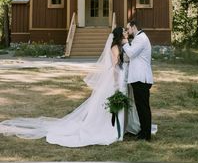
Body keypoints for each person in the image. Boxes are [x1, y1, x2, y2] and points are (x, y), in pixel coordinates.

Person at [0, 27, 139, 147]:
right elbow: (115, 65)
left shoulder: (121, 45)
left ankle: (120, 127)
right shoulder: (115, 47)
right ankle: (111, 129)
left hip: (121, 76)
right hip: (116, 78)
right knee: (111, 102)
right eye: (123, 31)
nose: (126, 32)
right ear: (119, 35)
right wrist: (115, 81)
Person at [122, 20, 153, 141]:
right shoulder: (138, 38)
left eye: (128, 28)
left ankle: (146, 135)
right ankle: (143, 132)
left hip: (141, 78)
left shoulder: (141, 38)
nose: (127, 31)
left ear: (134, 27)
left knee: (143, 107)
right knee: (140, 107)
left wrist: (125, 42)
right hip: (138, 78)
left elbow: (131, 53)